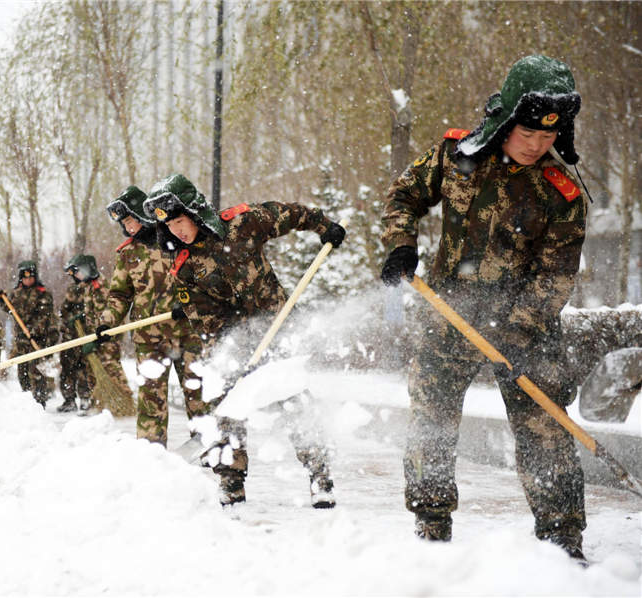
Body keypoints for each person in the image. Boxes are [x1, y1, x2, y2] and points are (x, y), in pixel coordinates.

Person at [378, 55, 587, 560]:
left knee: (545, 428)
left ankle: (562, 540)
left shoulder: (562, 196)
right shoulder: (456, 156)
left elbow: (554, 278)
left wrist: (515, 335)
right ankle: (431, 525)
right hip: (447, 314)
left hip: (524, 326)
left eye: (547, 137)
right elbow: (404, 195)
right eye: (528, 132)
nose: (538, 145)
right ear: (507, 119)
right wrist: (400, 243)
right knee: (431, 420)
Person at [143, 173, 346, 507]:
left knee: (296, 402)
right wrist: (230, 356)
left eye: (180, 221)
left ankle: (320, 476)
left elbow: (288, 214)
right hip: (233, 340)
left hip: (277, 327)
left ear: (194, 212)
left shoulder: (243, 223)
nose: (176, 231)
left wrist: (323, 226)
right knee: (227, 409)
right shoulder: (184, 266)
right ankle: (231, 483)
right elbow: (206, 320)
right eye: (170, 226)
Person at [97, 185, 208, 445]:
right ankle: (150, 451)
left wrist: (192, 303)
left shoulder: (178, 240)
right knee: (151, 401)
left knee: (198, 393)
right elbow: (119, 295)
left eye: (132, 219)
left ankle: (208, 445)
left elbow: (204, 278)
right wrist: (106, 322)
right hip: (150, 339)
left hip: (188, 332)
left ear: (142, 214)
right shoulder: (128, 254)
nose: (130, 227)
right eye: (125, 223)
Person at [59, 254, 133, 413]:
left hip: (108, 339)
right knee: (92, 373)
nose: (77, 277)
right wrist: (82, 318)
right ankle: (100, 405)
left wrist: (96, 341)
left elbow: (106, 317)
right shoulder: (89, 287)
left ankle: (125, 403)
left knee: (111, 369)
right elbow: (93, 313)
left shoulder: (101, 287)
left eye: (78, 272)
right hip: (95, 337)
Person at [0, 261, 58, 407]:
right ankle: (28, 401)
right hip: (22, 340)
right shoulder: (16, 293)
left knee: (36, 371)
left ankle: (40, 401)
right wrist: (2, 300)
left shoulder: (43, 293)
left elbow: (45, 316)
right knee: (22, 371)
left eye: (30, 277)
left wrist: (33, 331)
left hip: (38, 339)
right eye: (25, 278)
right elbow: (11, 310)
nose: (27, 280)